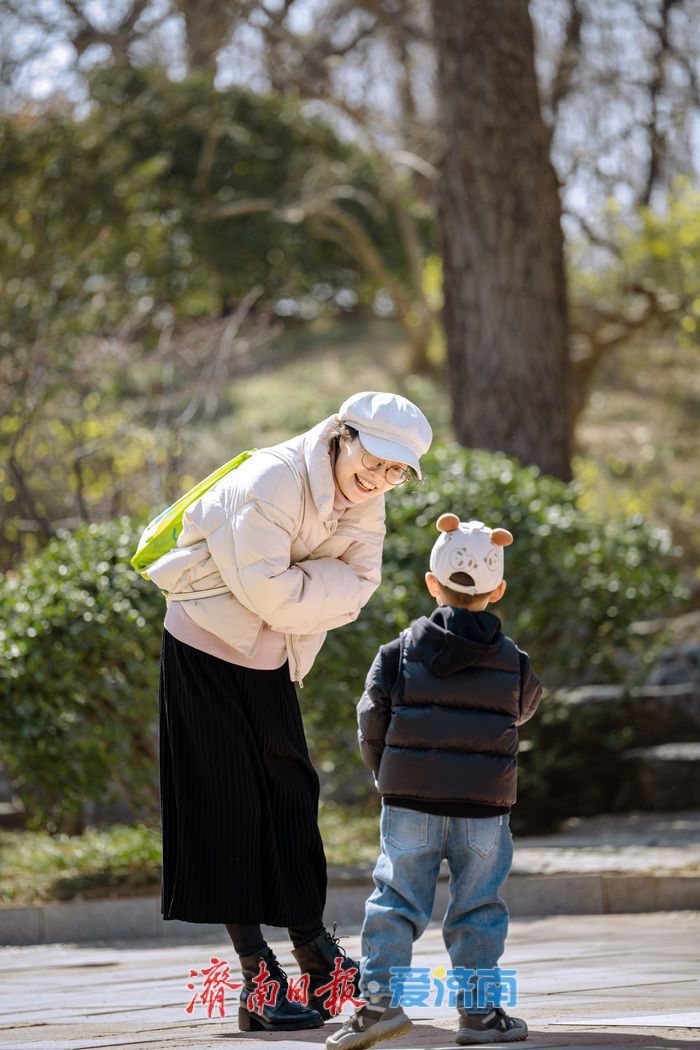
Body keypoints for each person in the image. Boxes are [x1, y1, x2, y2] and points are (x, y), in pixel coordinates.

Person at [149, 391, 432, 1032]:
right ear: (342, 435)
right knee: (228, 806)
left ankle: (315, 951)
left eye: (397, 471)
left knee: (291, 797)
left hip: (270, 658)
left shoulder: (367, 497)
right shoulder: (275, 477)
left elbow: (359, 589)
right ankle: (257, 975)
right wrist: (317, 579)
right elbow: (275, 595)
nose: (380, 478)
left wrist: (307, 581)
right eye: (375, 459)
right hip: (204, 649)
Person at [328, 513, 542, 1049]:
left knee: (396, 899)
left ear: (431, 583)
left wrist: (388, 771)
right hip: (484, 808)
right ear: (498, 591)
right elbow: (524, 710)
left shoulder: (398, 651)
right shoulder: (514, 662)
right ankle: (479, 1016)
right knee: (478, 906)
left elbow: (369, 716)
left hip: (409, 800)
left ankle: (378, 1007)